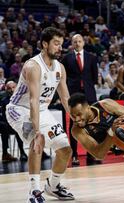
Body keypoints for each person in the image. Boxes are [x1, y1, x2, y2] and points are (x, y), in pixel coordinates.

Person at [5, 27, 74, 202]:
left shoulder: (60, 68)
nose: (60, 48)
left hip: (41, 110)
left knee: (65, 149)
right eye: (56, 44)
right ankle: (34, 191)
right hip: (18, 110)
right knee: (37, 141)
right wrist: (37, 130)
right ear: (45, 44)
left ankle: (53, 185)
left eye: (61, 44)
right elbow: (33, 100)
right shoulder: (32, 66)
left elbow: (65, 97)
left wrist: (76, 119)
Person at [61, 33, 98, 166]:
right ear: (72, 44)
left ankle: (91, 153)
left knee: (91, 124)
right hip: (74, 96)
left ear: (84, 42)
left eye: (79, 41)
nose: (77, 43)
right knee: (74, 125)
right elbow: (63, 78)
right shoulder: (66, 58)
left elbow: (94, 78)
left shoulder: (92, 58)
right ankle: (75, 154)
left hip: (89, 95)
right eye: (75, 42)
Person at [0, 80, 27, 162]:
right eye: (9, 88)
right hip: (8, 125)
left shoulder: (23, 99)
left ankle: (39, 152)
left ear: (17, 87)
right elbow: (4, 117)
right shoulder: (4, 101)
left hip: (21, 123)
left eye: (13, 87)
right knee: (5, 126)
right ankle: (6, 153)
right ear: (6, 90)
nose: (11, 90)